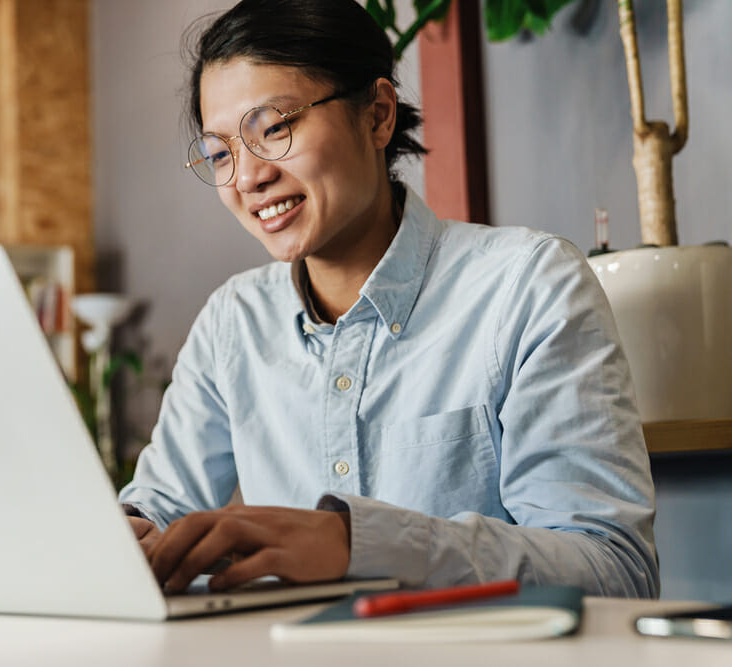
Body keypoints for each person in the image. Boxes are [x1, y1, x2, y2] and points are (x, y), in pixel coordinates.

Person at [119, 0, 659, 598]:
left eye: (273, 127)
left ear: (377, 115)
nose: (247, 178)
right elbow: (157, 510)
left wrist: (359, 546)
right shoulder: (232, 323)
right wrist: (122, 540)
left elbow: (615, 570)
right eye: (221, 153)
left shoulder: (528, 286)